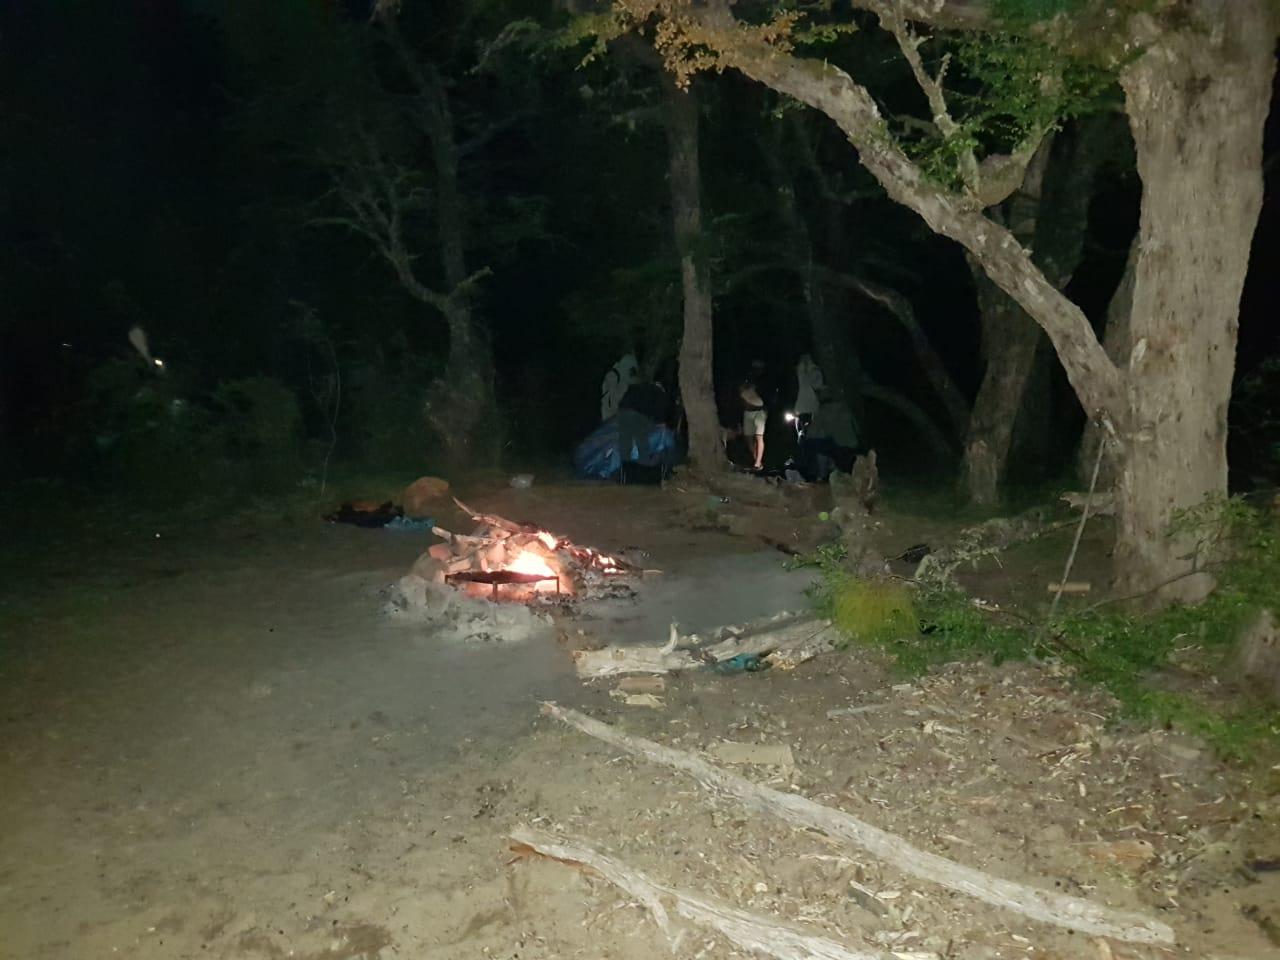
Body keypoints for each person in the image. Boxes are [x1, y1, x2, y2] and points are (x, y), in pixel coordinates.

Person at [739, 364, 767, 471]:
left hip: (759, 411)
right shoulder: (743, 383)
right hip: (748, 412)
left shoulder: (758, 382)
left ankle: (757, 463)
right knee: (749, 438)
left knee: (759, 437)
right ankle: (757, 460)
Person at [600, 353, 639, 421]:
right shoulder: (613, 376)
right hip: (609, 416)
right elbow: (611, 401)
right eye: (632, 370)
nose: (632, 373)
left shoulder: (623, 379)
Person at [794, 354, 824, 421]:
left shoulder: (814, 372)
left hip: (808, 406)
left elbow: (818, 385)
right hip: (803, 407)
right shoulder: (800, 373)